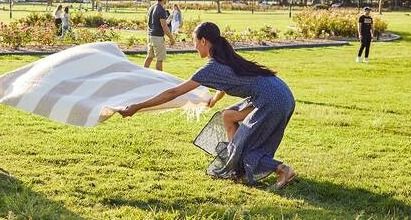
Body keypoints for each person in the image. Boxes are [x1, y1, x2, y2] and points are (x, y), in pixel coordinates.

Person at [119, 22, 296, 188]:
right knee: (228, 116)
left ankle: (283, 170)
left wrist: (137, 107)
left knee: (246, 146)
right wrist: (214, 100)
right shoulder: (226, 57)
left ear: (203, 41)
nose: (194, 46)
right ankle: (236, 166)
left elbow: (173, 93)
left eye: (194, 41)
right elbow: (227, 83)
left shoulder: (212, 67)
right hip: (282, 93)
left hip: (271, 100)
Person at [145, 0, 175, 71]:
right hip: (158, 37)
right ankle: (160, 78)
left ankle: (143, 74)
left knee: (149, 57)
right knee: (159, 59)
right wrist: (171, 38)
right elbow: (164, 26)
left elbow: (153, 21)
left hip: (150, 36)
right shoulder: (161, 9)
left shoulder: (152, 7)